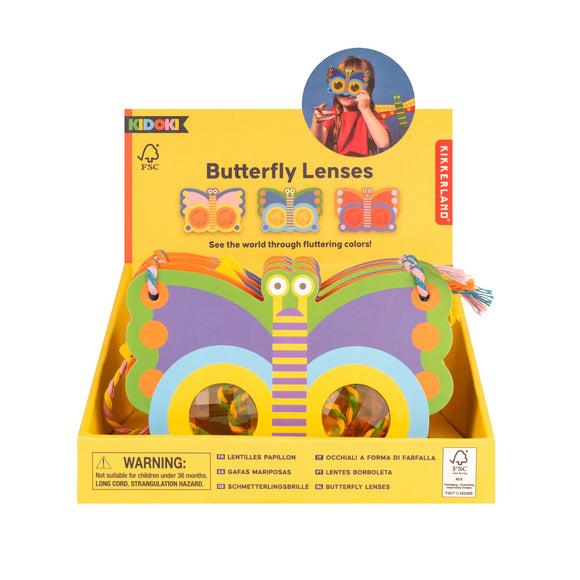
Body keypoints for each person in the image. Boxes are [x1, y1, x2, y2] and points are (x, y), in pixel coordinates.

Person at [310, 56, 390, 156]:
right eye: (340, 85)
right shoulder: (331, 115)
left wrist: (365, 109)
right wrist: (317, 122)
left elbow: (383, 143)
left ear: (368, 90)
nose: (345, 91)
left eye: (354, 86)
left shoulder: (372, 116)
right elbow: (317, 146)